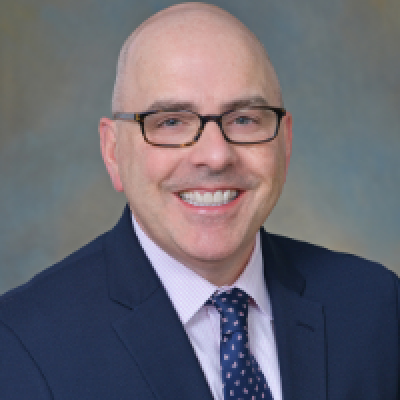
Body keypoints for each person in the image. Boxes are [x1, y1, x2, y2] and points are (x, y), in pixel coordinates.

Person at [0, 2, 398, 399]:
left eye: (244, 119)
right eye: (171, 122)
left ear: (285, 141)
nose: (216, 156)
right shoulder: (21, 345)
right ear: (113, 151)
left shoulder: (376, 306)